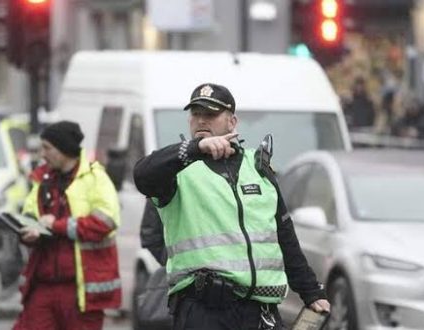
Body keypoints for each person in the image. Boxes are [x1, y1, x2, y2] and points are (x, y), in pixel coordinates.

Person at [134, 83, 330, 330]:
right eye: (196, 114)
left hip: (261, 312)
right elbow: (142, 174)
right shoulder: (177, 170)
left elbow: (285, 237)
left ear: (232, 122)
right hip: (205, 312)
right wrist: (195, 149)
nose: (202, 120)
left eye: (211, 114)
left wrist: (311, 291)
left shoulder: (258, 168)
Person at [13, 121, 122, 330]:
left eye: (47, 148)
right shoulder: (42, 179)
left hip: (81, 291)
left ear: (63, 149)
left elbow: (105, 221)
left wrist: (58, 225)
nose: (42, 154)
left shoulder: (95, 178)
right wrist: (26, 231)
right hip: (43, 286)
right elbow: (29, 213)